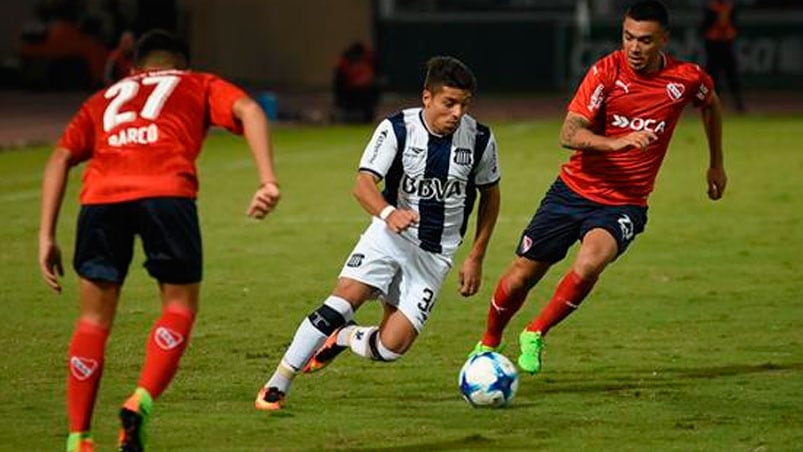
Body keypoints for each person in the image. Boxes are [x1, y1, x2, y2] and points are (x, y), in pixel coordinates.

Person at [38, 30, 281, 452]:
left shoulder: (105, 97)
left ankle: (78, 437)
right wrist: (267, 180)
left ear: (135, 68)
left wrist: (45, 236)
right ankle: (140, 399)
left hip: (100, 199)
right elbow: (249, 109)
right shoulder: (197, 82)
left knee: (92, 321)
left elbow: (60, 157)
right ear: (182, 65)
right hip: (166, 192)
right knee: (178, 307)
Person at [469, 0, 727, 376]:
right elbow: (568, 133)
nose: (634, 48)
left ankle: (535, 332)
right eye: (627, 37)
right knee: (523, 275)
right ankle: (489, 341)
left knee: (590, 263)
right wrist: (615, 142)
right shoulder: (606, 72)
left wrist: (716, 162)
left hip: (624, 203)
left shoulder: (686, 79)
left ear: (663, 40)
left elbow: (711, 105)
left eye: (644, 40)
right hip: (572, 191)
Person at [255, 56, 501, 411]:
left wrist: (476, 255)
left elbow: (490, 196)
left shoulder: (479, 139)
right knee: (341, 301)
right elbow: (363, 183)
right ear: (427, 98)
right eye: (449, 103)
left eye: (464, 104)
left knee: (391, 348)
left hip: (435, 255)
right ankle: (278, 383)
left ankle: (343, 337)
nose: (457, 113)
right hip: (389, 236)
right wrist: (388, 213)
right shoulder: (397, 128)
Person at [701, 0, 745, 112]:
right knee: (712, 76)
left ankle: (739, 103)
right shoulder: (711, 8)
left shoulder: (729, 8)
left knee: (732, 74)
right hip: (713, 45)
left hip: (726, 44)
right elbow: (704, 27)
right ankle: (711, 103)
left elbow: (735, 25)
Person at [333, 42, 381, 123]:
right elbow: (340, 82)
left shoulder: (368, 62)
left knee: (369, 94)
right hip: (350, 92)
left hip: (365, 92)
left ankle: (367, 118)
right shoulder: (345, 64)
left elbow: (371, 79)